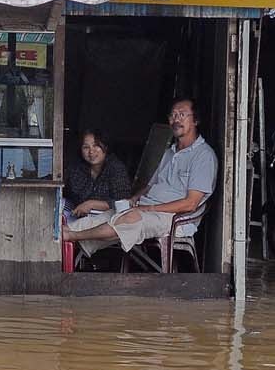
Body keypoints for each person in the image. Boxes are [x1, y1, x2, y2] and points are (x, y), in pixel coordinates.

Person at [62, 99, 217, 260]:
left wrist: (149, 209)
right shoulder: (170, 153)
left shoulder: (203, 156)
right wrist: (134, 200)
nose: (176, 119)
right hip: (146, 207)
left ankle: (73, 235)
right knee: (105, 216)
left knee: (129, 219)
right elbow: (150, 185)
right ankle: (66, 234)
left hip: (173, 217)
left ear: (196, 120)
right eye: (173, 115)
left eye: (182, 115)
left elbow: (190, 204)